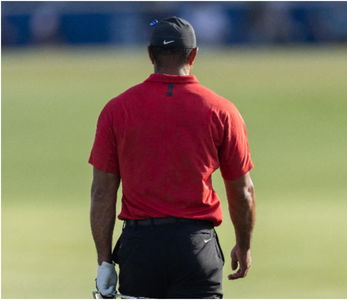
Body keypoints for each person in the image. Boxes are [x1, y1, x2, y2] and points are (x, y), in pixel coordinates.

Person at [89, 16, 256, 299]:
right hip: (196, 246)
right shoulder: (222, 110)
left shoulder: (117, 110)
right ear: (194, 55)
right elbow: (243, 190)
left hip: (139, 247)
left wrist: (104, 260)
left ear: (150, 54)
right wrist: (244, 245)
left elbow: (102, 191)